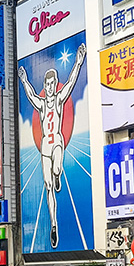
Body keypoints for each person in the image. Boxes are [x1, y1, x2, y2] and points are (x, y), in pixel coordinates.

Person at [17, 43, 87, 249]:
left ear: (55, 84)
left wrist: (78, 61)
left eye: (52, 83)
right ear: (45, 85)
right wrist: (24, 79)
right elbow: (30, 94)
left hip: (57, 141)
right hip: (44, 147)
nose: (49, 87)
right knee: (48, 187)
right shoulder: (40, 103)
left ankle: (58, 175)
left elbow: (72, 81)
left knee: (57, 169)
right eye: (47, 84)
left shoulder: (58, 100)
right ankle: (54, 225)